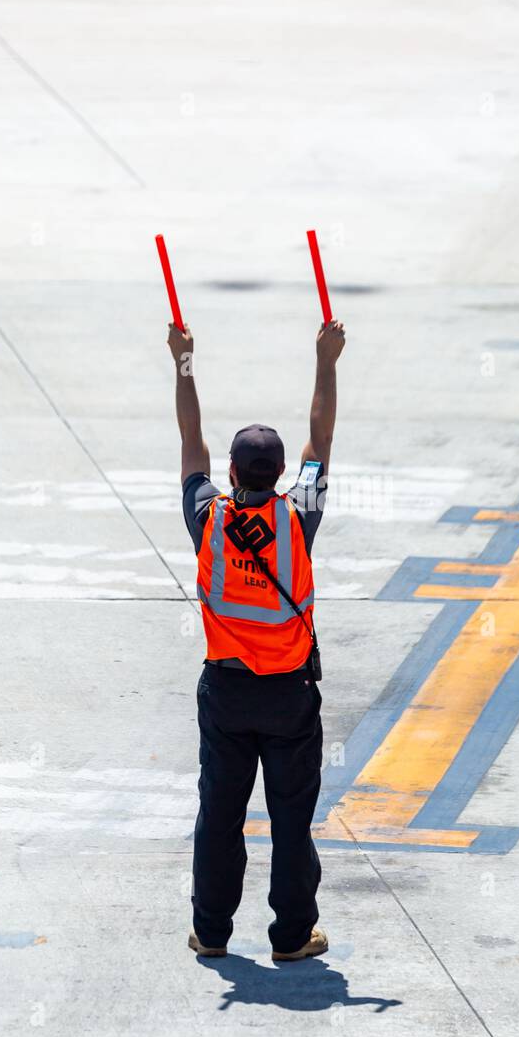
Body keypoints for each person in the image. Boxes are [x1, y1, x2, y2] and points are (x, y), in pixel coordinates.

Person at [168, 315, 346, 962]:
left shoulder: (208, 520)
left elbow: (191, 440)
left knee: (220, 814)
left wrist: (184, 361)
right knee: (291, 819)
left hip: (226, 692)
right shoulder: (299, 516)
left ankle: (211, 933)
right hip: (289, 698)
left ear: (234, 472)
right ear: (277, 473)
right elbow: (320, 434)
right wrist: (326, 360)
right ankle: (292, 937)